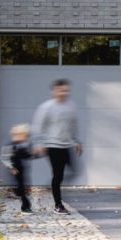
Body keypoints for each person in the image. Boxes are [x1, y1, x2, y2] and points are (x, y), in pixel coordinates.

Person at [31, 78, 83, 212]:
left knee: (74, 171)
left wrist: (77, 141)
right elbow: (38, 126)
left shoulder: (71, 106)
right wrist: (39, 143)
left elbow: (73, 125)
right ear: (54, 91)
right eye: (61, 90)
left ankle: (53, 187)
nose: (64, 93)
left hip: (67, 145)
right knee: (58, 175)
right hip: (52, 146)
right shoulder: (47, 107)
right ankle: (58, 205)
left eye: (66, 90)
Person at [4, 123, 32, 212]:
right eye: (25, 135)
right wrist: (11, 167)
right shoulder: (11, 146)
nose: (26, 137)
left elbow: (28, 155)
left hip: (22, 168)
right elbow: (5, 157)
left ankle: (22, 198)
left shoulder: (24, 145)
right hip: (15, 169)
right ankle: (25, 205)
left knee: (23, 185)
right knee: (21, 186)